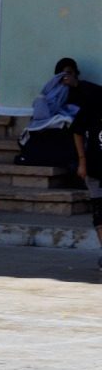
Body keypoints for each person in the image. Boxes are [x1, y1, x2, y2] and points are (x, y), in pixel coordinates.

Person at [71, 81, 102, 270]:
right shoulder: (95, 101)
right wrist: (82, 160)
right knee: (99, 212)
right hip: (96, 168)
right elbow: (77, 131)